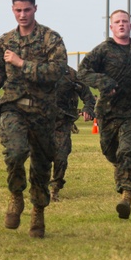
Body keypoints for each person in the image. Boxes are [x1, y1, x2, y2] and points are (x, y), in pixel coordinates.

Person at [0, 0, 68, 239]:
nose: (22, 15)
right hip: (13, 105)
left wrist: (23, 64)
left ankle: (38, 214)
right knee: (15, 152)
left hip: (43, 110)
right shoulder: (3, 42)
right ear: (12, 10)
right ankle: (15, 196)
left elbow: (57, 71)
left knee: (42, 166)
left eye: (27, 10)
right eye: (18, 10)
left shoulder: (50, 39)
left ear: (35, 9)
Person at [78, 9, 131, 220]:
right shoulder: (102, 51)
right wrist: (104, 82)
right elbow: (83, 71)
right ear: (111, 27)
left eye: (125, 21)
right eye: (117, 22)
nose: (121, 24)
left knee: (127, 150)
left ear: (130, 26)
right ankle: (122, 171)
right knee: (111, 152)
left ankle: (126, 195)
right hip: (107, 112)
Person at [50, 66, 96, 201]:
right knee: (40, 156)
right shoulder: (37, 70)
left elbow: (88, 96)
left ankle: (55, 188)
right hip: (41, 121)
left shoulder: (71, 75)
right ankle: (39, 186)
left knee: (61, 156)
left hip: (63, 121)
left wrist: (88, 109)